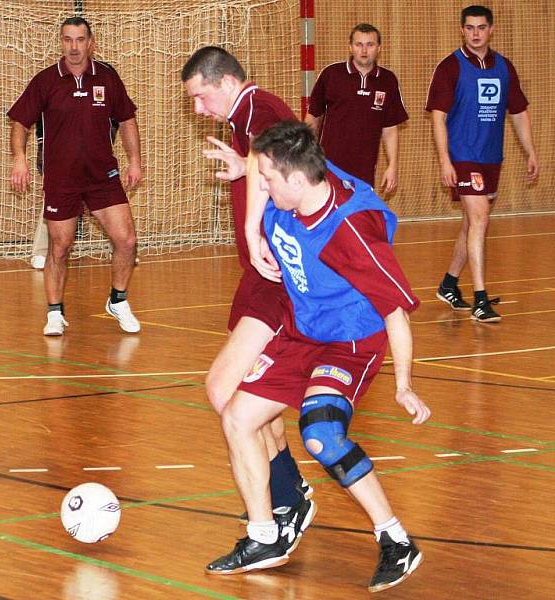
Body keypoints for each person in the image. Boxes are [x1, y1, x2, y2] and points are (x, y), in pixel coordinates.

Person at [206, 120, 430, 593]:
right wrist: (251, 225)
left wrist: (404, 384)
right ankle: (265, 536)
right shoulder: (299, 178)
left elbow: (395, 313)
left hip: (350, 343)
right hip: (300, 330)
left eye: (266, 179)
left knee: (321, 433)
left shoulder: (351, 230)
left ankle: (395, 540)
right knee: (237, 416)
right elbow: (259, 160)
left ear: (295, 179)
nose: (258, 185)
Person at [181, 46, 315, 559]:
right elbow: (276, 162)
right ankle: (287, 499)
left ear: (226, 81)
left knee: (225, 390)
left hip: (276, 280)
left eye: (200, 97)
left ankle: (276, 518)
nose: (198, 109)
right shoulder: (250, 119)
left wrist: (250, 225)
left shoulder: (257, 108)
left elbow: (275, 156)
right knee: (246, 396)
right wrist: (245, 169)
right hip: (260, 279)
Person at [8, 16, 143, 336]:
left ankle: (118, 300)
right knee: (60, 247)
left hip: (102, 176)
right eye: (67, 39)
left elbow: (126, 120)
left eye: (80, 39)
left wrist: (135, 160)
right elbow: (19, 123)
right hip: (62, 179)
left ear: (90, 42)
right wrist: (19, 159)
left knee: (127, 240)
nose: (73, 46)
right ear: (61, 42)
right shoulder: (45, 81)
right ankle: (55, 312)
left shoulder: (108, 78)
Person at [426, 5, 538, 322]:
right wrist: (445, 160)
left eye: (482, 27)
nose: (476, 33)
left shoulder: (504, 67)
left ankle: (449, 284)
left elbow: (518, 112)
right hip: (464, 156)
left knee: (472, 223)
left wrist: (530, 150)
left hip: (491, 158)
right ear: (462, 30)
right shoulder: (450, 67)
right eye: (470, 27)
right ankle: (480, 299)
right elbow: (438, 117)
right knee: (480, 219)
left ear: (491, 29)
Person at [305, 23, 408, 192]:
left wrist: (392, 166)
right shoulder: (331, 75)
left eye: (370, 44)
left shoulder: (388, 80)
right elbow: (313, 118)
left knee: (359, 216)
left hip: (365, 169)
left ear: (379, 48)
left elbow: (390, 129)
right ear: (350, 47)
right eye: (359, 44)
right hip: (328, 166)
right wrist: (305, 155)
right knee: (329, 214)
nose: (364, 50)